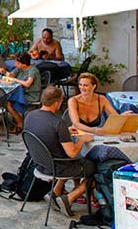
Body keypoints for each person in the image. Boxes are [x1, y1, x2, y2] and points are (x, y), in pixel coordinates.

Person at [24, 86, 96, 215]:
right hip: (56, 167)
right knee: (95, 168)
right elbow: (72, 153)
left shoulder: (30, 116)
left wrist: (64, 132)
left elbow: (44, 133)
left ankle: (55, 192)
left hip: (40, 163)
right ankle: (69, 198)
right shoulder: (58, 122)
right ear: (57, 102)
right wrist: (82, 140)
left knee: (68, 161)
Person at [7, 52, 42, 133]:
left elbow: (27, 84)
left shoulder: (32, 70)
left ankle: (20, 123)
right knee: (5, 99)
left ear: (24, 64)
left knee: (8, 103)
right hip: (20, 93)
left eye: (17, 63)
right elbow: (12, 74)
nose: (15, 65)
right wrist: (6, 73)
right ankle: (17, 119)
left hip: (31, 94)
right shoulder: (20, 69)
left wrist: (15, 79)